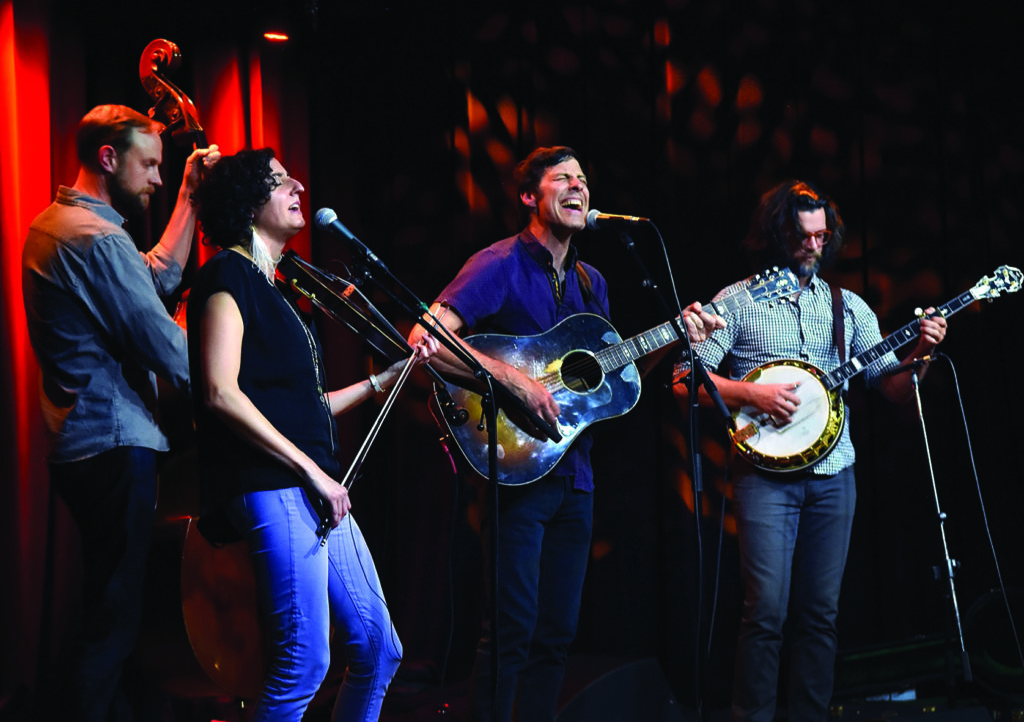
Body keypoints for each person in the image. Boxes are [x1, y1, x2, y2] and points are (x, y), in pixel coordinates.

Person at [408, 145, 724, 722]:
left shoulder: (591, 281)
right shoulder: (497, 264)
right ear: (531, 195)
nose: (579, 186)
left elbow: (611, 383)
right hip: (514, 466)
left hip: (574, 474)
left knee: (556, 633)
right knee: (510, 629)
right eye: (563, 178)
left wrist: (676, 336)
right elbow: (426, 339)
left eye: (584, 178)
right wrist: (511, 382)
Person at [673, 180, 948, 722]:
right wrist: (750, 393)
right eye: (803, 237)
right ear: (778, 235)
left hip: (834, 475)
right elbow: (685, 379)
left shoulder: (849, 308)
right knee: (766, 612)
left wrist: (922, 352)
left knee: (820, 615)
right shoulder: (738, 300)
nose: (814, 247)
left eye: (822, 237)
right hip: (762, 478)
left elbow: (892, 390)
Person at [187, 148, 438, 722]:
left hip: (313, 486)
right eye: (280, 181)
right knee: (302, 663)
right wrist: (313, 471)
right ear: (249, 202)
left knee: (379, 648)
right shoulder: (228, 273)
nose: (299, 184)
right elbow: (221, 392)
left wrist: (383, 381)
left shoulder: (276, 291)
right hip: (277, 484)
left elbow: (303, 408)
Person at [21, 104, 219, 721]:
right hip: (113, 443)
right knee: (115, 619)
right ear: (109, 158)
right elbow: (162, 341)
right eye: (151, 164)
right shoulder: (96, 237)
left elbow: (152, 278)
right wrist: (240, 386)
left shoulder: (67, 226)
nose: (158, 180)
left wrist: (190, 195)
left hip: (89, 445)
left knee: (120, 612)